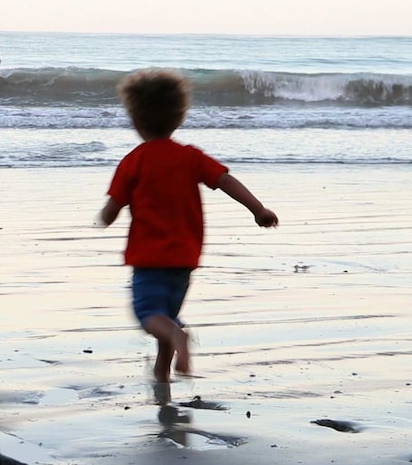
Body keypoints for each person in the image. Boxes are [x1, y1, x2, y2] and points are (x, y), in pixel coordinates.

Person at [97, 69, 278, 382]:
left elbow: (113, 207)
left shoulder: (134, 160)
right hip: (186, 257)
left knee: (148, 315)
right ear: (179, 117)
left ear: (136, 121)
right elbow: (225, 180)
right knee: (167, 315)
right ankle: (162, 372)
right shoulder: (190, 157)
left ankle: (180, 340)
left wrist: (104, 218)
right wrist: (257, 208)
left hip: (149, 257)